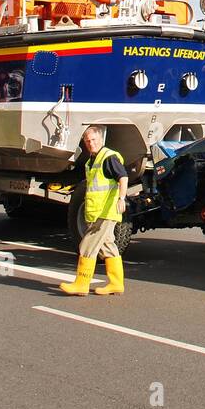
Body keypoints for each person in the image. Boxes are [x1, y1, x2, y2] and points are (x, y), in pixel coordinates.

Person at [59, 125, 128, 297]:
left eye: (94, 140)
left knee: (87, 245)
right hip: (98, 211)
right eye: (88, 141)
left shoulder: (108, 157)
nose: (91, 144)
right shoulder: (92, 161)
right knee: (107, 247)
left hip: (105, 212)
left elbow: (123, 177)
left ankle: (81, 284)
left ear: (100, 139)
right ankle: (116, 283)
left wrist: (122, 198)